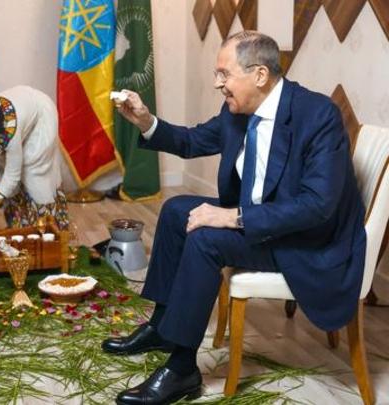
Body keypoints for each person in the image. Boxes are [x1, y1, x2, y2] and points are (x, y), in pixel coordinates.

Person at [102, 31, 366, 404]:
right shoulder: (236, 112)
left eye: (224, 74)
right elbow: (191, 141)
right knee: (177, 211)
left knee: (206, 238)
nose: (217, 83)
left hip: (306, 240)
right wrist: (146, 121)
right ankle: (162, 327)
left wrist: (233, 217)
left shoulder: (318, 115)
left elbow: (317, 206)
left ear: (259, 75)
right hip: (265, 223)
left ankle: (182, 369)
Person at [0, 85, 69, 230]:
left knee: (33, 172)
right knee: (5, 169)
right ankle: (19, 226)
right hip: (23, 112)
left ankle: (47, 227)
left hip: (41, 116)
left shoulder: (9, 133)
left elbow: (12, 175)